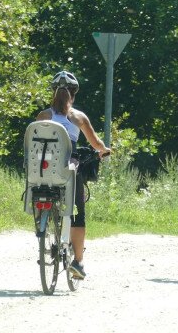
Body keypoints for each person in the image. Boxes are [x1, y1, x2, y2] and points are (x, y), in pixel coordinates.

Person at [35, 70, 111, 280]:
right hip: (68, 172)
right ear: (74, 94)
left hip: (43, 171)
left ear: (53, 92)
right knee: (78, 213)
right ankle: (78, 262)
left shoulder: (43, 116)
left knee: (42, 192)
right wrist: (104, 150)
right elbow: (96, 144)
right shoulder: (78, 117)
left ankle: (42, 217)